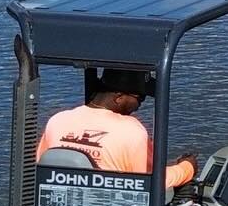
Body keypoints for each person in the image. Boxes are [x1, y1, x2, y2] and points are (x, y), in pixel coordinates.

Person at [37, 68, 197, 192]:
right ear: (118, 97)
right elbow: (149, 182)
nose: (140, 104)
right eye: (140, 98)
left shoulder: (58, 120)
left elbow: (41, 167)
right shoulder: (132, 131)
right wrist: (186, 168)